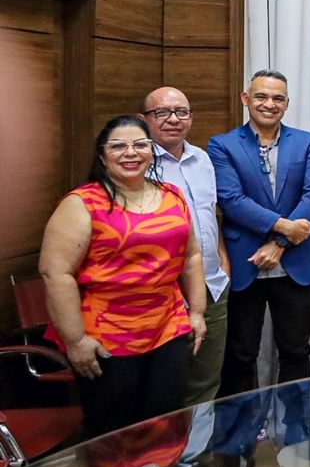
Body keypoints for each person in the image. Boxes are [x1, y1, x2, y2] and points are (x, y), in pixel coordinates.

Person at [39, 115, 207, 437]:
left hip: (168, 326)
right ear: (102, 155)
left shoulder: (172, 195)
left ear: (151, 150)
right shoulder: (83, 203)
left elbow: (191, 256)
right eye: (118, 146)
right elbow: (55, 273)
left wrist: (196, 312)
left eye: (140, 144)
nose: (130, 153)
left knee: (165, 421)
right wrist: (75, 341)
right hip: (106, 335)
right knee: (114, 431)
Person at [208, 69, 310, 446]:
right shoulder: (222, 145)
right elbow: (231, 199)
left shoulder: (306, 143)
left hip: (293, 266)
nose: (269, 104)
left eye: (277, 98)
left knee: (295, 351)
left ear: (287, 104)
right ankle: (239, 431)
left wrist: (280, 243)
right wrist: (283, 226)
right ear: (246, 99)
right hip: (245, 266)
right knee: (241, 354)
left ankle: (297, 426)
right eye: (262, 97)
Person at [140, 86, 231, 407]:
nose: (173, 120)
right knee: (165, 384)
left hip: (212, 285)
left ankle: (196, 455)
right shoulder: (139, 164)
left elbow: (211, 215)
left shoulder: (202, 159)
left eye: (181, 112)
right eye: (162, 113)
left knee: (206, 381)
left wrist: (222, 263)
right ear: (144, 119)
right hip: (166, 292)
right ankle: (167, 456)